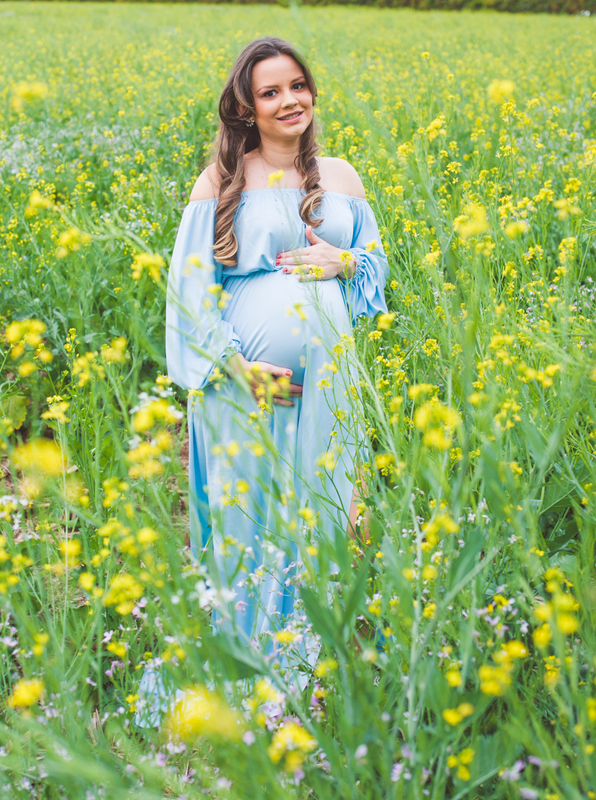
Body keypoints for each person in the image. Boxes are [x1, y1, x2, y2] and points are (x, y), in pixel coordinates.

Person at [139, 36, 390, 725]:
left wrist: (343, 264)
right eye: (271, 92)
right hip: (244, 386)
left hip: (328, 387)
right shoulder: (218, 181)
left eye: (297, 86)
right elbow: (189, 294)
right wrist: (239, 370)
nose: (290, 102)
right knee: (249, 521)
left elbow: (375, 269)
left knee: (321, 512)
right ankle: (242, 679)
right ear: (247, 108)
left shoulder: (342, 177)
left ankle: (309, 671)